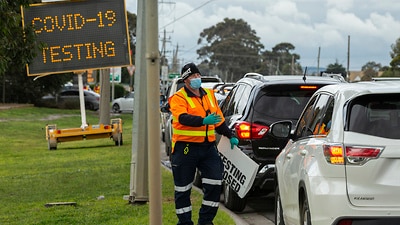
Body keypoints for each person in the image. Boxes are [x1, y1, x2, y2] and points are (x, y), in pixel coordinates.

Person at [168, 62, 239, 225]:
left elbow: (218, 120)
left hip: (207, 148)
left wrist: (230, 134)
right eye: (193, 76)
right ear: (185, 80)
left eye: (198, 75)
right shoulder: (178, 97)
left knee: (215, 183)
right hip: (185, 148)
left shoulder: (209, 94)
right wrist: (203, 121)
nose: (197, 78)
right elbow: (182, 118)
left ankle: (206, 221)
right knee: (183, 189)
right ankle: (185, 222)